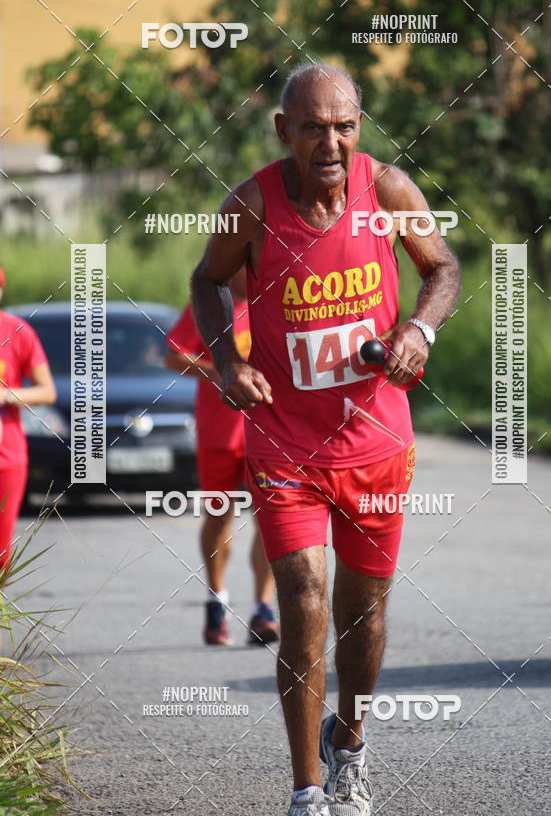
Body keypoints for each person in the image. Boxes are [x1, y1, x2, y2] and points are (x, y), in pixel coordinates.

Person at [190, 63, 460, 816]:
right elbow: (205, 282)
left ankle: (351, 740)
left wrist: (420, 327)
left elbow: (443, 267)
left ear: (359, 128)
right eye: (313, 127)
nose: (330, 142)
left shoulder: (389, 192)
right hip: (283, 445)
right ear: (285, 131)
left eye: (343, 126)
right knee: (304, 598)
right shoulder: (252, 204)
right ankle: (307, 787)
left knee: (363, 616)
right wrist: (227, 359)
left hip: (375, 445)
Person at [165, 268, 279, 646]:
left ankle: (263, 609)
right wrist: (218, 371)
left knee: (271, 520)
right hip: (217, 436)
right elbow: (173, 355)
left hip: (266, 435)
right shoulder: (211, 306)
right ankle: (217, 602)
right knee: (219, 517)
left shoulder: (276, 304)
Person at [0, 266, 57, 572]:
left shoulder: (16, 332)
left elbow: (47, 391)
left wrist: (8, 395)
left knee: (1, 552)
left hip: (7, 456)